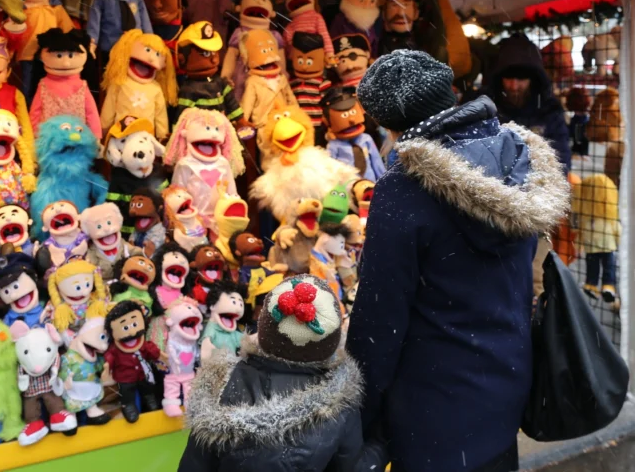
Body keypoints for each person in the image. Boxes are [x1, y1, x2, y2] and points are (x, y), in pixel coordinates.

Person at [347, 50, 569, 472]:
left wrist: (359, 412)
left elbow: (380, 321)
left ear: (389, 122)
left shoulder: (405, 189)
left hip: (431, 405)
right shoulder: (514, 156)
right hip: (506, 382)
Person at [178, 275, 363, 472]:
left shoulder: (219, 388)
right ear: (331, 343)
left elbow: (194, 465)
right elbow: (349, 465)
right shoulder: (342, 405)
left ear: (264, 329)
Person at [485, 33, 571, 172]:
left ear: (533, 80)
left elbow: (560, 159)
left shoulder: (549, 110)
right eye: (508, 78)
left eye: (521, 79)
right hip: (493, 186)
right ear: (499, 78)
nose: (513, 86)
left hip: (537, 186)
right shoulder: (487, 107)